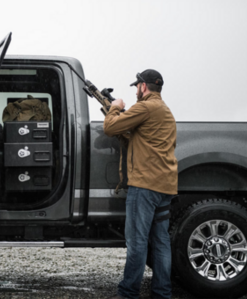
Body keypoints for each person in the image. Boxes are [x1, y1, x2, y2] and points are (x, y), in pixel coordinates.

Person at [104, 69, 177, 299]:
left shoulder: (145, 107)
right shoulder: (164, 110)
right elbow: (142, 140)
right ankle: (162, 293)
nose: (136, 90)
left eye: (137, 86)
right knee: (161, 242)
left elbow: (109, 127)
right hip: (164, 187)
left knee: (137, 242)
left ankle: (128, 294)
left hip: (144, 187)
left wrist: (115, 106)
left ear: (144, 86)